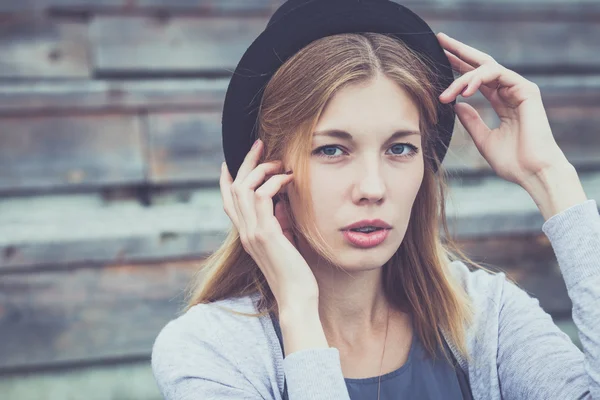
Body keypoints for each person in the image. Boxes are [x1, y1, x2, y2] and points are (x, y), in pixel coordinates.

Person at [150, 1, 599, 399]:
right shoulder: (210, 350)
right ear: (271, 173)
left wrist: (550, 177)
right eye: (332, 149)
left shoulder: (485, 317)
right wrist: (299, 311)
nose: (373, 188)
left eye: (399, 148)